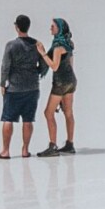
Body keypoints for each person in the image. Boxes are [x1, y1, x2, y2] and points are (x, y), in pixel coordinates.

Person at [0, 14, 47, 159]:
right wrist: (35, 72)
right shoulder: (37, 44)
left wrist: (2, 83)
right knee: (28, 120)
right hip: (32, 87)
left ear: (17, 27)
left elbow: (5, 66)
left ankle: (5, 151)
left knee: (8, 118)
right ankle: (25, 149)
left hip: (14, 88)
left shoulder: (11, 45)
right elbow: (43, 66)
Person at [35, 17, 77, 156]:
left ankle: (52, 146)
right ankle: (70, 144)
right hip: (71, 80)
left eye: (53, 26)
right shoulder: (69, 43)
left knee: (48, 112)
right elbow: (71, 63)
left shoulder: (58, 47)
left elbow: (54, 66)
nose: (50, 28)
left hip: (60, 83)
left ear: (59, 28)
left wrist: (42, 53)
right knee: (68, 112)